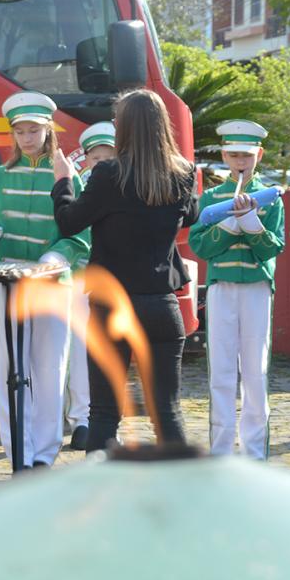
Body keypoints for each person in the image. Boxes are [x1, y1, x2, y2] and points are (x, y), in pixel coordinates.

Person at [53, 93, 196, 451]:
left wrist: (63, 182)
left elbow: (69, 222)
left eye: (118, 120)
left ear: (126, 127)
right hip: (163, 304)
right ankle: (184, 492)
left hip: (112, 303)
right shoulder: (183, 172)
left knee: (104, 411)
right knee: (167, 410)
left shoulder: (108, 173)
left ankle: (99, 498)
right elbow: (190, 217)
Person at [0, 92, 89, 469]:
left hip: (53, 283)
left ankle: (44, 454)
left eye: (33, 131)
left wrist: (52, 259)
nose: (26, 138)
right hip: (7, 281)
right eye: (20, 132)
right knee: (8, 368)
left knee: (50, 367)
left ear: (47, 131)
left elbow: (80, 234)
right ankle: (18, 455)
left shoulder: (66, 175)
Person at [188, 119, 284, 460]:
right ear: (225, 156)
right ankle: (221, 451)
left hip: (257, 287)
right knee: (222, 372)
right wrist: (230, 225)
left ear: (259, 154)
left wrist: (252, 223)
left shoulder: (271, 197)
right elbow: (200, 246)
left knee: (256, 373)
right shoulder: (212, 197)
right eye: (233, 155)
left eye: (247, 155)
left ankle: (256, 451)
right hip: (221, 288)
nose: (240, 162)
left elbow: (272, 248)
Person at [65, 121, 115, 451]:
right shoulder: (79, 188)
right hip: (79, 280)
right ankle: (80, 419)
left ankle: (102, 420)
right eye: (96, 159)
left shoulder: (126, 187)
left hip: (111, 281)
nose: (102, 164)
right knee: (76, 353)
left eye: (108, 157)